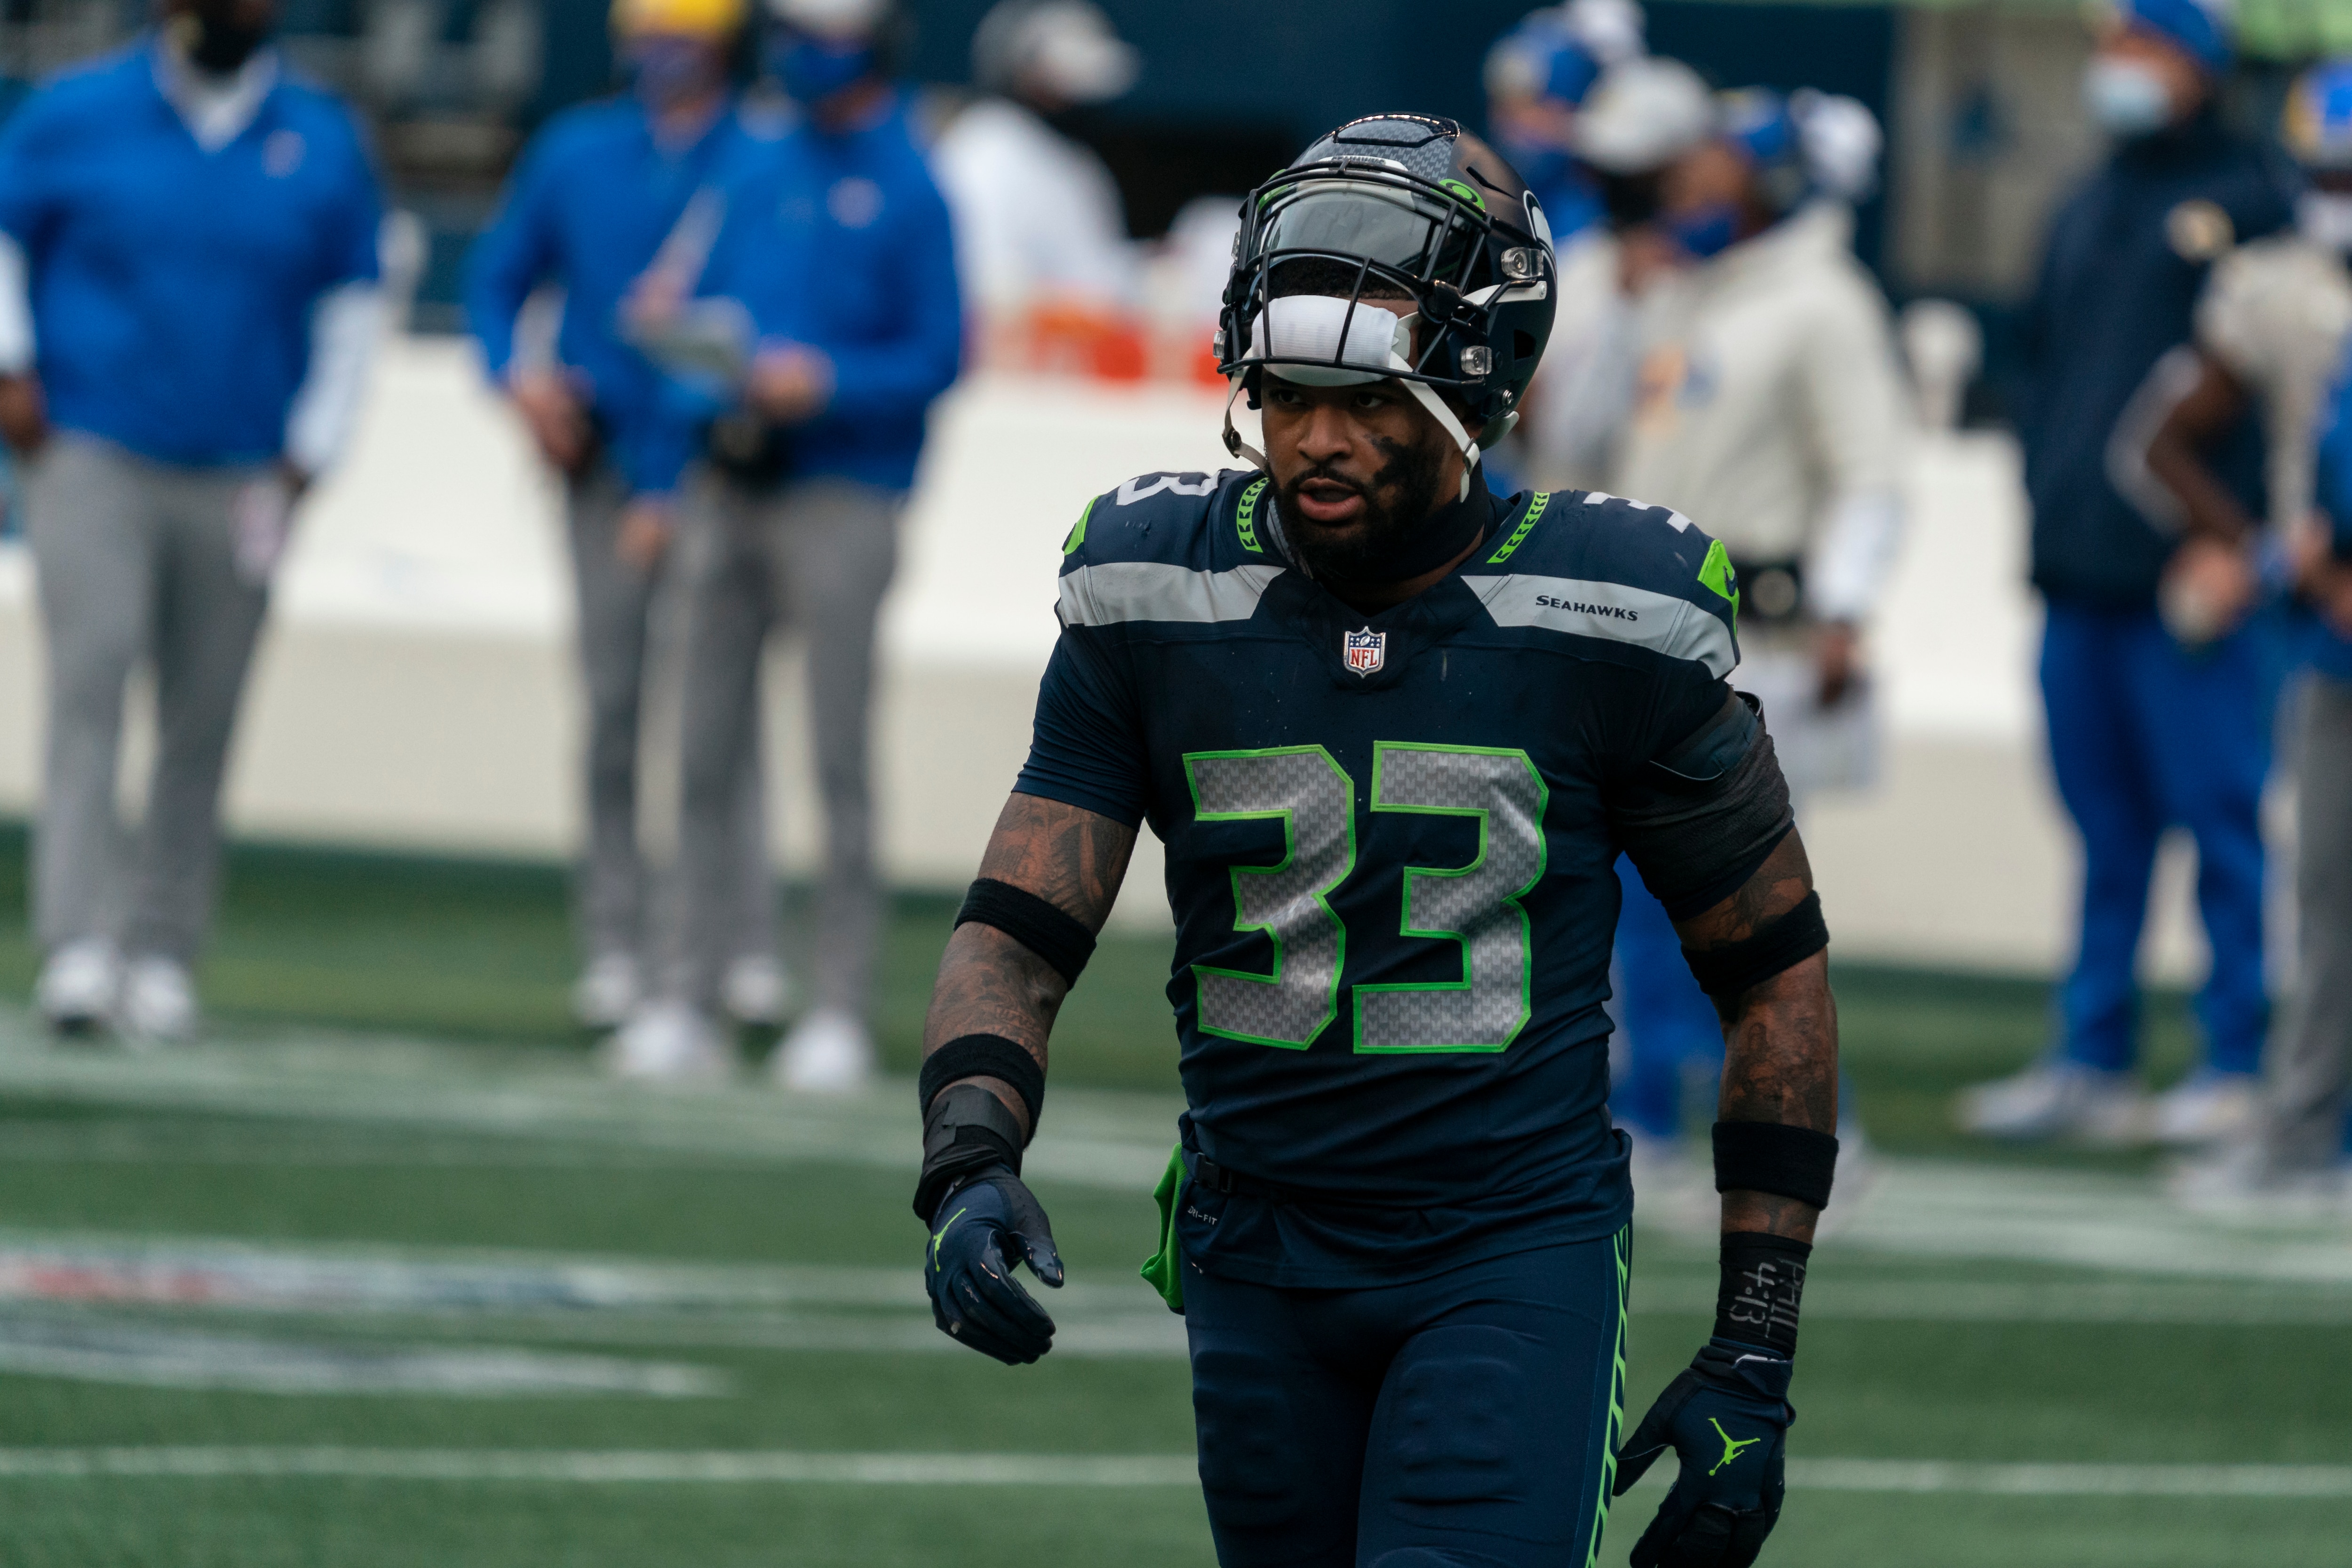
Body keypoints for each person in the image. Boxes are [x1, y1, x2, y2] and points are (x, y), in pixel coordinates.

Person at [912, 116, 1840, 1568]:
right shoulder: (1154, 593)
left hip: (1501, 1250)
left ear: (1476, 387)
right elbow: (1020, 925)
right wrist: (968, 1155)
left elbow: (1771, 971)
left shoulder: (1612, 614)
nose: (1313, 437)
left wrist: (1754, 1349)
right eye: (1283, 390)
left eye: (1366, 396)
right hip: (1251, 1251)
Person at [0, 0, 383, 1041]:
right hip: (94, 445)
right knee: (93, 678)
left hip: (245, 466)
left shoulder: (321, 136)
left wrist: (314, 450)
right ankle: (79, 944)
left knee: (203, 715)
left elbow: (354, 303)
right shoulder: (76, 113)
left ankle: (163, 949)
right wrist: (12, 365)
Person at [1960, 0, 2296, 1146]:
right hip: (2079, 571)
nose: (2117, 69)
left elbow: (2272, 389)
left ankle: (2236, 1058)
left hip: (2189, 582)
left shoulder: (2258, 202)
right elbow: (2045, 372)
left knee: (2219, 819)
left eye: (2140, 48)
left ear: (2197, 66)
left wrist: (2239, 537)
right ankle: (2090, 1055)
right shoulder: (2088, 198)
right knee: (2102, 826)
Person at [1564, 81, 1903, 1179]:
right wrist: (1620, 308)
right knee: (1633, 896)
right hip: (1644, 633)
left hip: (1759, 634)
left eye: (1719, 165)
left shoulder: (1821, 302)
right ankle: (1644, 1108)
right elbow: (1579, 435)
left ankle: (1804, 1119)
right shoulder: (1681, 291)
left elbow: (1870, 474)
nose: (1688, 182)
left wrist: (1847, 603)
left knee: (1734, 898)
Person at [620, 0, 961, 1088]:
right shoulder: (756, 165)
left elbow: (942, 352)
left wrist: (828, 380)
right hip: (731, 473)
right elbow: (693, 308)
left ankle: (839, 1007)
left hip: (843, 489)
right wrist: (685, 359)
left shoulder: (912, 182)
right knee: (703, 747)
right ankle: (684, 990)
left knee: (837, 753)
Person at [465, 0, 788, 1048]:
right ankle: (617, 940)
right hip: (599, 465)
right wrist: (523, 382)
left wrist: (673, 476)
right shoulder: (578, 151)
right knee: (613, 707)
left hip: (724, 470)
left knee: (719, 719)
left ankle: (737, 941)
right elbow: (497, 282)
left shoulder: (763, 153)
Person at [2137, 59, 2352, 1203]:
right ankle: (2306, 1122)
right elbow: (2172, 434)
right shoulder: (2285, 289)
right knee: (2322, 894)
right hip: (2329, 631)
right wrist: (2281, 555)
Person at [1482, 0, 1649, 497]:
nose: (1518, 124)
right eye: (1507, 106)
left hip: (1583, 492)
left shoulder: (1617, 248)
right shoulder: (1495, 217)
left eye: (1537, 106)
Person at [930, 0, 1139, 335]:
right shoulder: (985, 149)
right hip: (1010, 370)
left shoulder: (1079, 164)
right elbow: (987, 290)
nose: (1077, 99)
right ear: (1022, 74)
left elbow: (1097, 276)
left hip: (1082, 362)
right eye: (1058, 84)